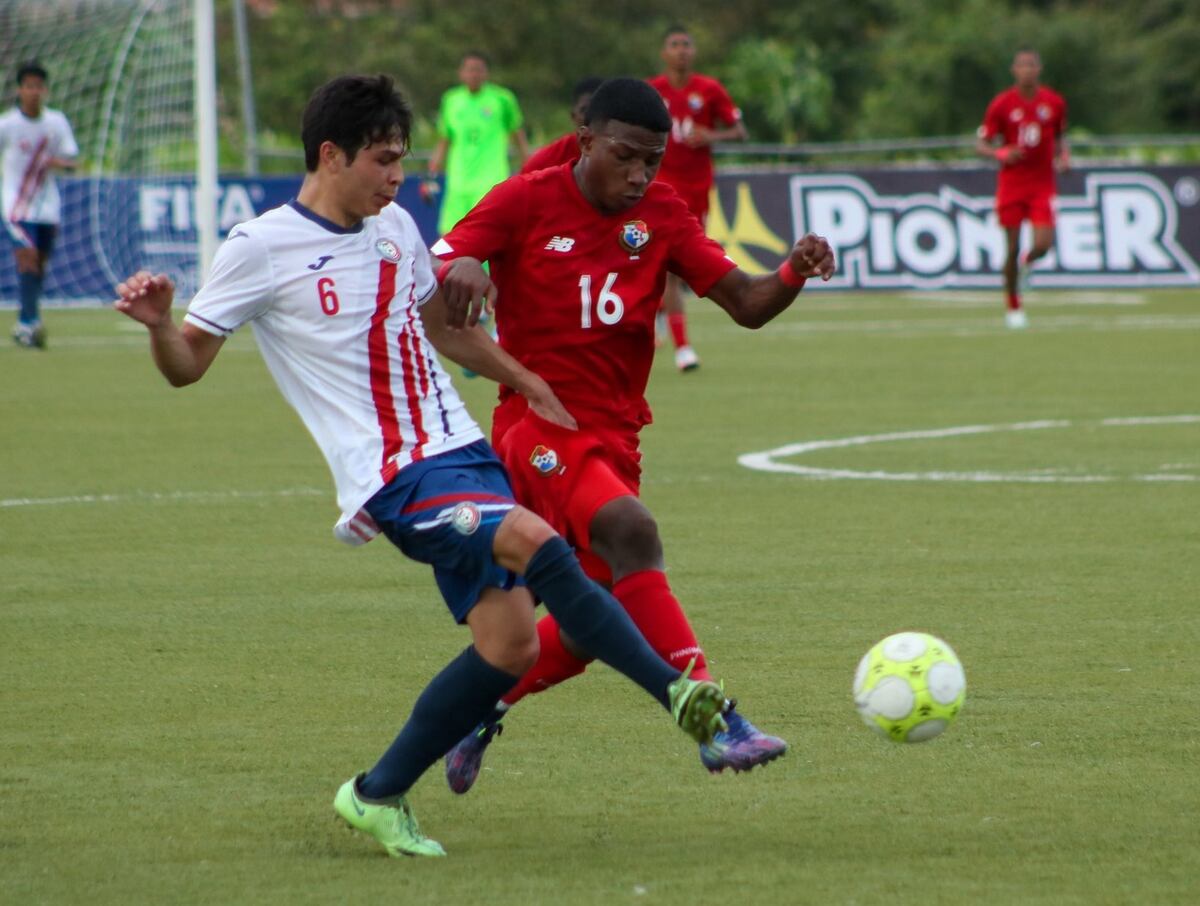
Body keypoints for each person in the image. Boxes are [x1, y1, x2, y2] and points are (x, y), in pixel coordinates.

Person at [112, 74, 733, 860]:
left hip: (461, 450)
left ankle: (374, 794)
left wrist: (524, 378)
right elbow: (186, 366)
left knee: (512, 648)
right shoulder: (260, 247)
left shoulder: (397, 226)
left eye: (402, 158)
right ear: (331, 155)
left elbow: (445, 327)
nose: (397, 176)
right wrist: (162, 324)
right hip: (393, 475)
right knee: (538, 540)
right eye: (381, 160)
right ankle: (678, 693)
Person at [431, 77, 835, 794]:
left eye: (652, 160)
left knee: (594, 620)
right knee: (633, 532)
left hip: (616, 437)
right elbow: (439, 265)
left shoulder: (662, 212)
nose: (640, 175)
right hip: (538, 423)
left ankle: (476, 710)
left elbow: (744, 303)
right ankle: (714, 718)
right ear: (586, 140)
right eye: (625, 156)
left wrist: (791, 272)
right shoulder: (526, 198)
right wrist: (459, 263)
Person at [647, 25, 746, 371]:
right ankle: (683, 348)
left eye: (686, 45)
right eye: (674, 45)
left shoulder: (708, 89)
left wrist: (712, 134)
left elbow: (740, 131)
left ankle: (660, 312)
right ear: (664, 53)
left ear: (694, 52)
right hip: (657, 188)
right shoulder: (651, 91)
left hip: (696, 188)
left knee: (680, 267)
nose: (681, 51)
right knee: (667, 267)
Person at [976, 47, 1068, 330]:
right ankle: (1013, 307)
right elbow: (982, 144)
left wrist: (1063, 156)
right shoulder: (1002, 104)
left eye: (1032, 65)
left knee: (1044, 243)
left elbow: (1061, 137)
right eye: (1022, 65)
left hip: (1042, 184)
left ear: (1039, 69)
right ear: (1014, 70)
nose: (1027, 70)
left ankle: (1029, 263)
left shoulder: (1053, 102)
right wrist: (1001, 154)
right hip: (1013, 185)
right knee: (1011, 246)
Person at [0, 61, 78, 349]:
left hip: (47, 207)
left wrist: (59, 163)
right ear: (19, 89)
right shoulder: (7, 124)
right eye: (28, 86)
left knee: (40, 264)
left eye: (38, 86)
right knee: (28, 257)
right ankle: (28, 323)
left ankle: (28, 318)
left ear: (45, 90)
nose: (34, 92)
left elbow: (72, 160)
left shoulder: (56, 122)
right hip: (16, 206)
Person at [422, 51, 528, 237]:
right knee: (450, 234)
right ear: (461, 73)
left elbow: (517, 133)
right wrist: (431, 173)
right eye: (470, 70)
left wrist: (527, 163)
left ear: (486, 73)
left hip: (491, 180)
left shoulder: (502, 99)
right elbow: (444, 139)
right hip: (459, 181)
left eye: (479, 70)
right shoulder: (451, 100)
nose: (474, 74)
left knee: (488, 232)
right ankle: (452, 267)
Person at [520, 77, 603, 175]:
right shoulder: (541, 165)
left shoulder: (622, 160)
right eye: (584, 110)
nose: (591, 117)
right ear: (573, 116)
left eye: (600, 110)